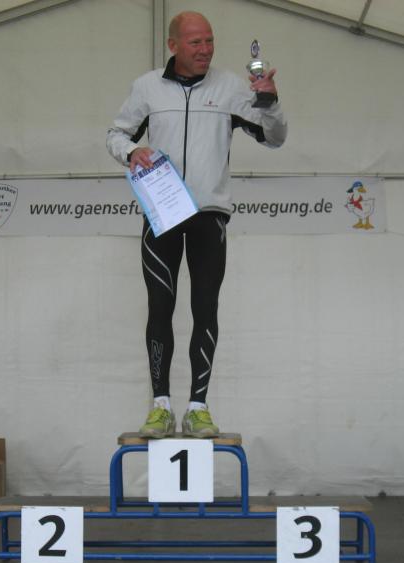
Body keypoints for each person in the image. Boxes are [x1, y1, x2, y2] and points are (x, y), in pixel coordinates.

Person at [107, 12, 287, 438]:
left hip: (209, 215)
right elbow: (115, 134)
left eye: (209, 41)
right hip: (162, 212)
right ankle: (160, 406)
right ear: (173, 46)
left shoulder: (231, 88)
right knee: (160, 308)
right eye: (195, 42)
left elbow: (274, 137)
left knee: (205, 309)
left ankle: (198, 407)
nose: (205, 49)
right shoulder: (147, 87)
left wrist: (271, 102)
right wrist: (131, 152)